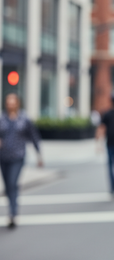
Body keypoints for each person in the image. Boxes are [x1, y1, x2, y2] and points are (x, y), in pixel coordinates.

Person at [0, 93, 43, 228]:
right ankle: (12, 209)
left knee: (13, 183)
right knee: (7, 186)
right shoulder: (2, 118)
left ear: (17, 103)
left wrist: (39, 155)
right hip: (3, 156)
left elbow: (34, 136)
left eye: (13, 102)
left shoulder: (24, 119)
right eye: (8, 102)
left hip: (18, 156)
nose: (10, 105)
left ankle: (13, 213)